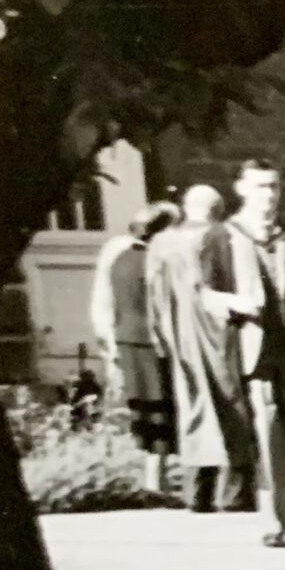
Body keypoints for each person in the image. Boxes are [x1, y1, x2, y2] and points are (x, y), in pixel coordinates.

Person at [207, 161, 285, 545]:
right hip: (253, 344)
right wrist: (236, 302)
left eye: (274, 186)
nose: (269, 194)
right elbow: (204, 293)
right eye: (260, 186)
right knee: (267, 421)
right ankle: (274, 516)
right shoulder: (222, 236)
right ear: (241, 188)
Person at [145, 185, 248, 512]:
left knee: (193, 407)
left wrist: (161, 334)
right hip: (220, 332)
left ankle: (197, 493)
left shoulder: (161, 243)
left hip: (179, 336)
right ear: (218, 209)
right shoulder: (222, 237)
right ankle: (232, 494)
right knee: (231, 404)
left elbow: (154, 294)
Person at [89, 202, 181, 495]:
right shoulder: (155, 261)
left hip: (126, 337)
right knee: (161, 406)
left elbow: (103, 299)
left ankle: (154, 478)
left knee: (145, 407)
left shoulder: (118, 255)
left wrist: (107, 339)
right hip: (152, 341)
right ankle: (156, 480)